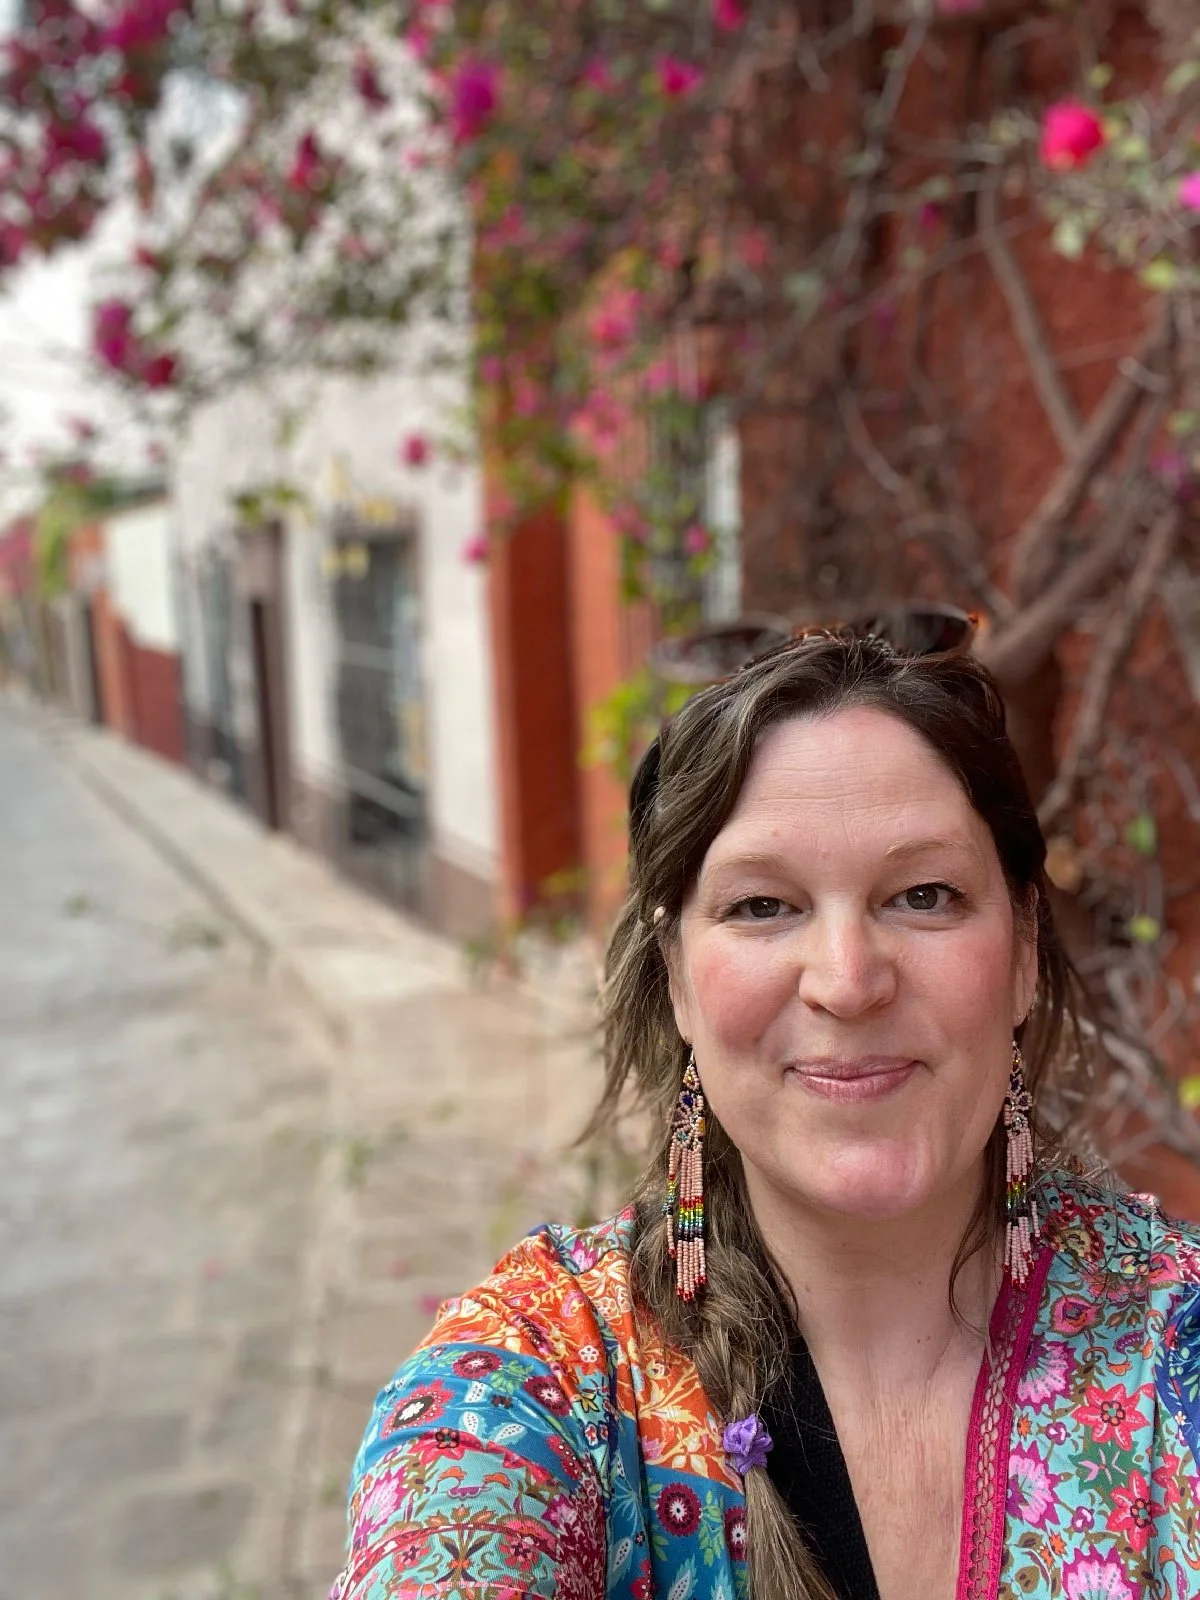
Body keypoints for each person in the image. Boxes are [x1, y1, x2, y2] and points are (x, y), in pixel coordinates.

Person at [331, 628, 1200, 1600]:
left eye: (924, 894)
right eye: (761, 906)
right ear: (676, 985)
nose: (849, 980)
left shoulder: (1176, 1339)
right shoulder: (543, 1379)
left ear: (1027, 951)